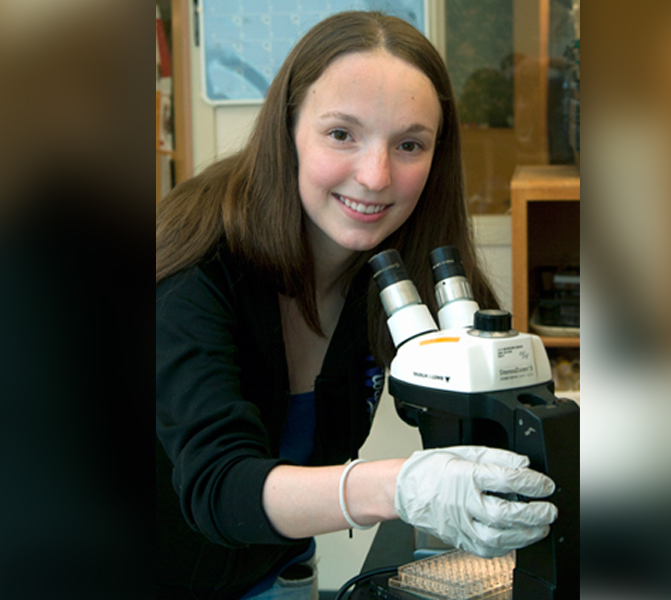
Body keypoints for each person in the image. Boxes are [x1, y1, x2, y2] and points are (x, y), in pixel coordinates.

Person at [156, 11, 558, 599]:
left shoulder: (403, 257)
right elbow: (220, 488)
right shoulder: (195, 266)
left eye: (409, 144)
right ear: (287, 130)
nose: (375, 176)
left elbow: (497, 412)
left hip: (273, 578)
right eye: (342, 134)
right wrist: (399, 487)